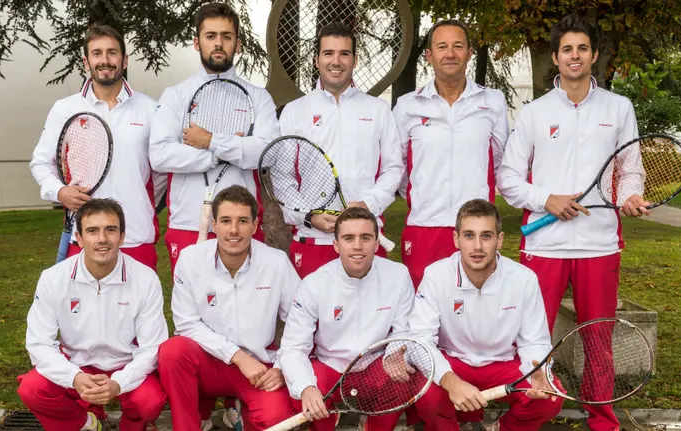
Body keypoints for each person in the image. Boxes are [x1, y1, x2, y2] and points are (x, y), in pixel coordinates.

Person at [496, 14, 647, 431]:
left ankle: (602, 419)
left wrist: (630, 195)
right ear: (556, 57)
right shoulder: (533, 112)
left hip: (599, 245)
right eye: (567, 49)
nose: (575, 55)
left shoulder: (619, 108)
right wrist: (547, 199)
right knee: (531, 336)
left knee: (598, 340)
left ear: (594, 55)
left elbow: (630, 169)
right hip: (543, 246)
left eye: (583, 48)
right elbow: (507, 178)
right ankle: (527, 414)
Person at [409, 199, 562, 431]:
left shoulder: (524, 278)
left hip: (502, 363)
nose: (478, 246)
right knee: (426, 394)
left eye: (486, 236)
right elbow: (419, 340)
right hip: (455, 361)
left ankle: (503, 428)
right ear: (456, 239)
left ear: (499, 240)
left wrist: (538, 371)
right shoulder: (436, 275)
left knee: (550, 397)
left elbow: (535, 340)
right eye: (469, 235)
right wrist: (450, 381)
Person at [149, 2, 279, 274]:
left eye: (226, 37)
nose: (218, 44)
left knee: (244, 308)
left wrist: (210, 141)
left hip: (241, 224)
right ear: (197, 43)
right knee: (191, 312)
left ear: (238, 43)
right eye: (210, 36)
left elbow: (269, 153)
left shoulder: (258, 97)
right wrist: (228, 151)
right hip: (187, 223)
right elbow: (160, 155)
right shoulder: (176, 95)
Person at [17, 199, 169, 431]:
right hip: (76, 364)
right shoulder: (53, 278)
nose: (102, 239)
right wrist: (74, 377)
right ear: (79, 238)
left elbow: (153, 347)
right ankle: (86, 424)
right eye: (92, 231)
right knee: (32, 388)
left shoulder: (145, 278)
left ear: (122, 236)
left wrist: (118, 383)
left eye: (110, 229)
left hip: (123, 363)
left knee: (149, 402)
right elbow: (38, 344)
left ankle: (131, 425)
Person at [157, 185, 299, 431]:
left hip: (258, 367)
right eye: (226, 220)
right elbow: (186, 324)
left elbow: (301, 321)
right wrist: (237, 356)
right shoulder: (190, 259)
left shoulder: (276, 262)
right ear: (214, 224)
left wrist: (280, 367)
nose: (234, 230)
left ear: (255, 225)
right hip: (208, 363)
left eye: (243, 221)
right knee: (173, 351)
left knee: (276, 420)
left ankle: (243, 412)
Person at [30, 24, 163, 271]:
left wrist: (139, 203)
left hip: (136, 236)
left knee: (137, 309)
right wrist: (59, 192)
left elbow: (162, 172)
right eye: (97, 53)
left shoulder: (151, 109)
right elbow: (40, 162)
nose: (105, 60)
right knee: (82, 309)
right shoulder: (65, 108)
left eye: (112, 53)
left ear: (124, 61)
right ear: (86, 61)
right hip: (83, 237)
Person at [278, 22, 403, 279]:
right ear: (316, 60)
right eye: (328, 53)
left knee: (371, 318)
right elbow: (283, 177)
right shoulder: (295, 111)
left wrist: (367, 205)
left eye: (344, 54)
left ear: (355, 60)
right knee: (310, 319)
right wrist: (310, 217)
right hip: (313, 240)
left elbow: (393, 169)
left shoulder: (377, 109)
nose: (336, 61)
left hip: (364, 240)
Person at [392, 19, 509, 289]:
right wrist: (422, 192)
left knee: (476, 312)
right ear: (429, 55)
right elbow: (396, 166)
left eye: (458, 46)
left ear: (469, 53)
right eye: (442, 46)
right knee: (423, 315)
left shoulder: (492, 102)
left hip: (477, 229)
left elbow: (500, 160)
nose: (450, 53)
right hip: (424, 226)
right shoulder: (407, 106)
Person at [277, 207, 415, 431]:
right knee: (302, 393)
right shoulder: (314, 284)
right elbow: (293, 346)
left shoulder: (398, 275)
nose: (358, 246)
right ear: (336, 245)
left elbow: (404, 330)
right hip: (330, 365)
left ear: (377, 243)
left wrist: (394, 354)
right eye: (349, 238)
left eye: (366, 237)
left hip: (373, 363)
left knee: (399, 381)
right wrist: (306, 388)